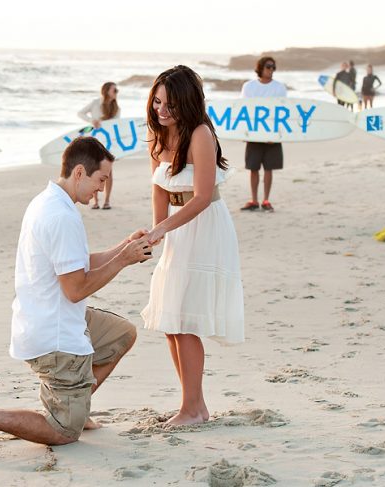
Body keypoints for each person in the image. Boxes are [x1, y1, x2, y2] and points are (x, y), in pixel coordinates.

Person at [0, 137, 151, 446]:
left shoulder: (49, 200)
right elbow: (76, 289)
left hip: (47, 317)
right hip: (54, 336)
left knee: (121, 334)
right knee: (63, 432)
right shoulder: (60, 216)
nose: (102, 188)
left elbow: (77, 264)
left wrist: (124, 247)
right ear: (80, 173)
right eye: (101, 180)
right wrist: (124, 260)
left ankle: (77, 405)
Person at [141, 65, 244, 426]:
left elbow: (200, 198)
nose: (161, 110)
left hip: (205, 226)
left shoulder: (201, 134)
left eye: (169, 104)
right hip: (177, 228)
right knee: (171, 319)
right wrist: (157, 233)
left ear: (188, 102)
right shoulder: (157, 136)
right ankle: (195, 407)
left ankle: (191, 409)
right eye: (157, 102)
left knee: (185, 319)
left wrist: (164, 228)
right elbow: (159, 186)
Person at [239, 56, 288, 212]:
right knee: (253, 168)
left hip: (272, 135)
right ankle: (254, 200)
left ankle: (266, 200)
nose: (271, 70)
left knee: (269, 168)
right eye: (268, 67)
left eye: (273, 67)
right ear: (260, 68)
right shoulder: (249, 87)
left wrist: (277, 135)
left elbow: (282, 110)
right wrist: (242, 133)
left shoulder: (279, 87)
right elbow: (244, 110)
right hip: (254, 134)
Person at [78, 82, 121, 209]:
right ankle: (95, 201)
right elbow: (80, 113)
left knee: (108, 173)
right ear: (107, 90)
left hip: (109, 144)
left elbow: (116, 127)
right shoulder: (95, 103)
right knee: (94, 171)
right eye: (114, 90)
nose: (116, 92)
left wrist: (120, 149)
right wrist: (92, 121)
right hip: (94, 142)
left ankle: (107, 201)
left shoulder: (116, 108)